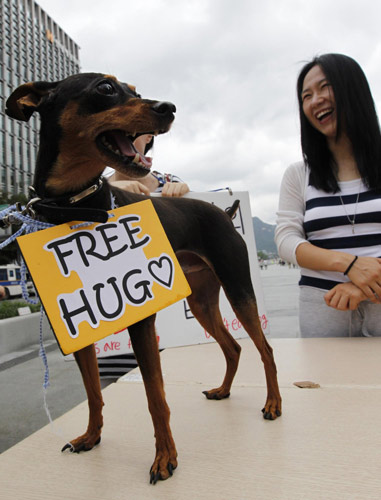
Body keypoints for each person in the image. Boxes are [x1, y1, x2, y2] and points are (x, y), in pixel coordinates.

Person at [275, 53, 381, 337]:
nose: (315, 100)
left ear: (352, 89)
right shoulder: (298, 174)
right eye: (306, 96)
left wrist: (362, 284)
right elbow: (286, 240)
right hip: (322, 308)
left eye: (324, 87)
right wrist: (348, 264)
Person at [98, 134, 190, 385]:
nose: (121, 134)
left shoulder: (172, 184)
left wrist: (185, 196)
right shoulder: (90, 189)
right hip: (113, 343)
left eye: (132, 128)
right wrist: (109, 193)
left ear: (149, 134)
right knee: (118, 410)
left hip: (174, 339)